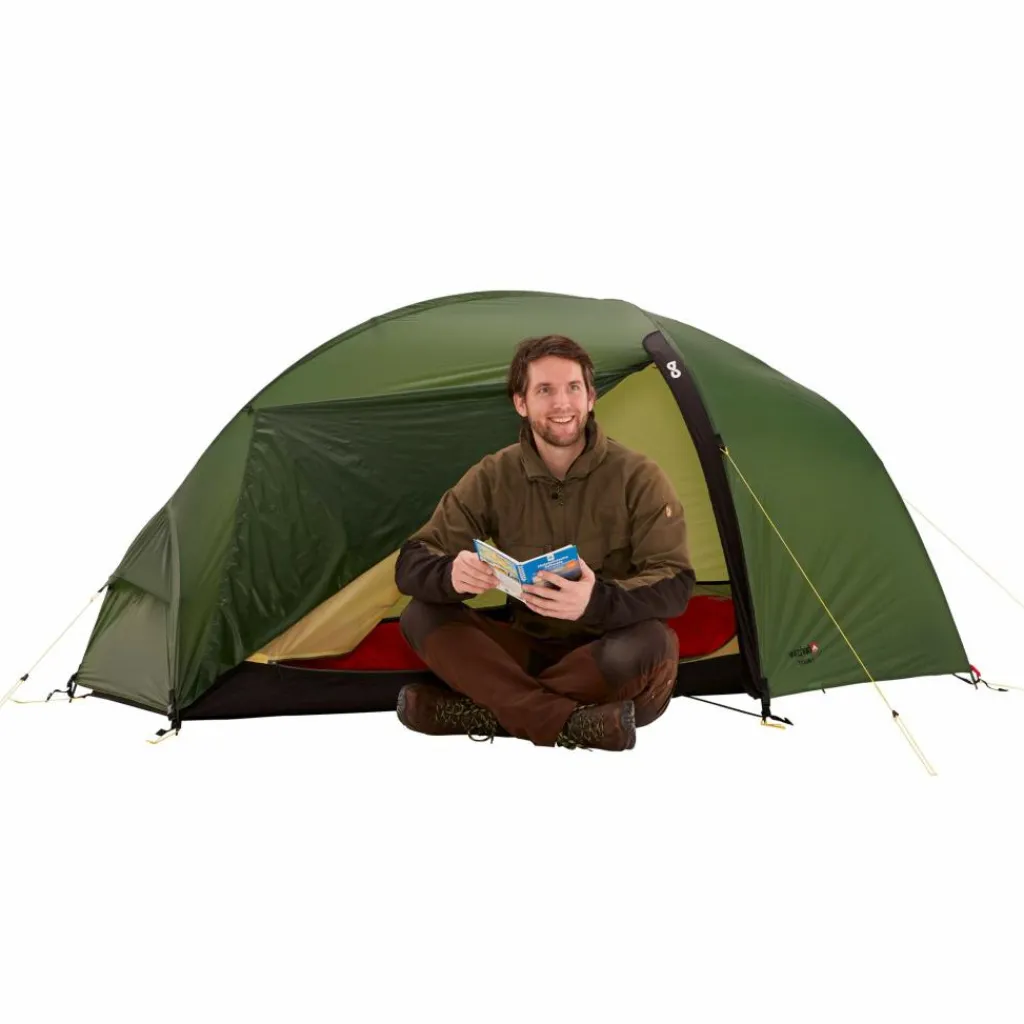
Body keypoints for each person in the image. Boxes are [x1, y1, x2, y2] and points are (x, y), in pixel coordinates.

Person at [393, 334, 695, 751]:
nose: (562, 404)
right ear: (521, 403)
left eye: (573, 388)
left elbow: (675, 584)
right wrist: (451, 575)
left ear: (591, 397)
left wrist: (595, 601)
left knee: (653, 645)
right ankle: (573, 723)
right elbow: (411, 563)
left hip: (606, 652)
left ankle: (490, 710)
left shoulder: (639, 476)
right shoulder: (494, 474)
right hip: (524, 650)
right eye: (545, 390)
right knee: (421, 615)